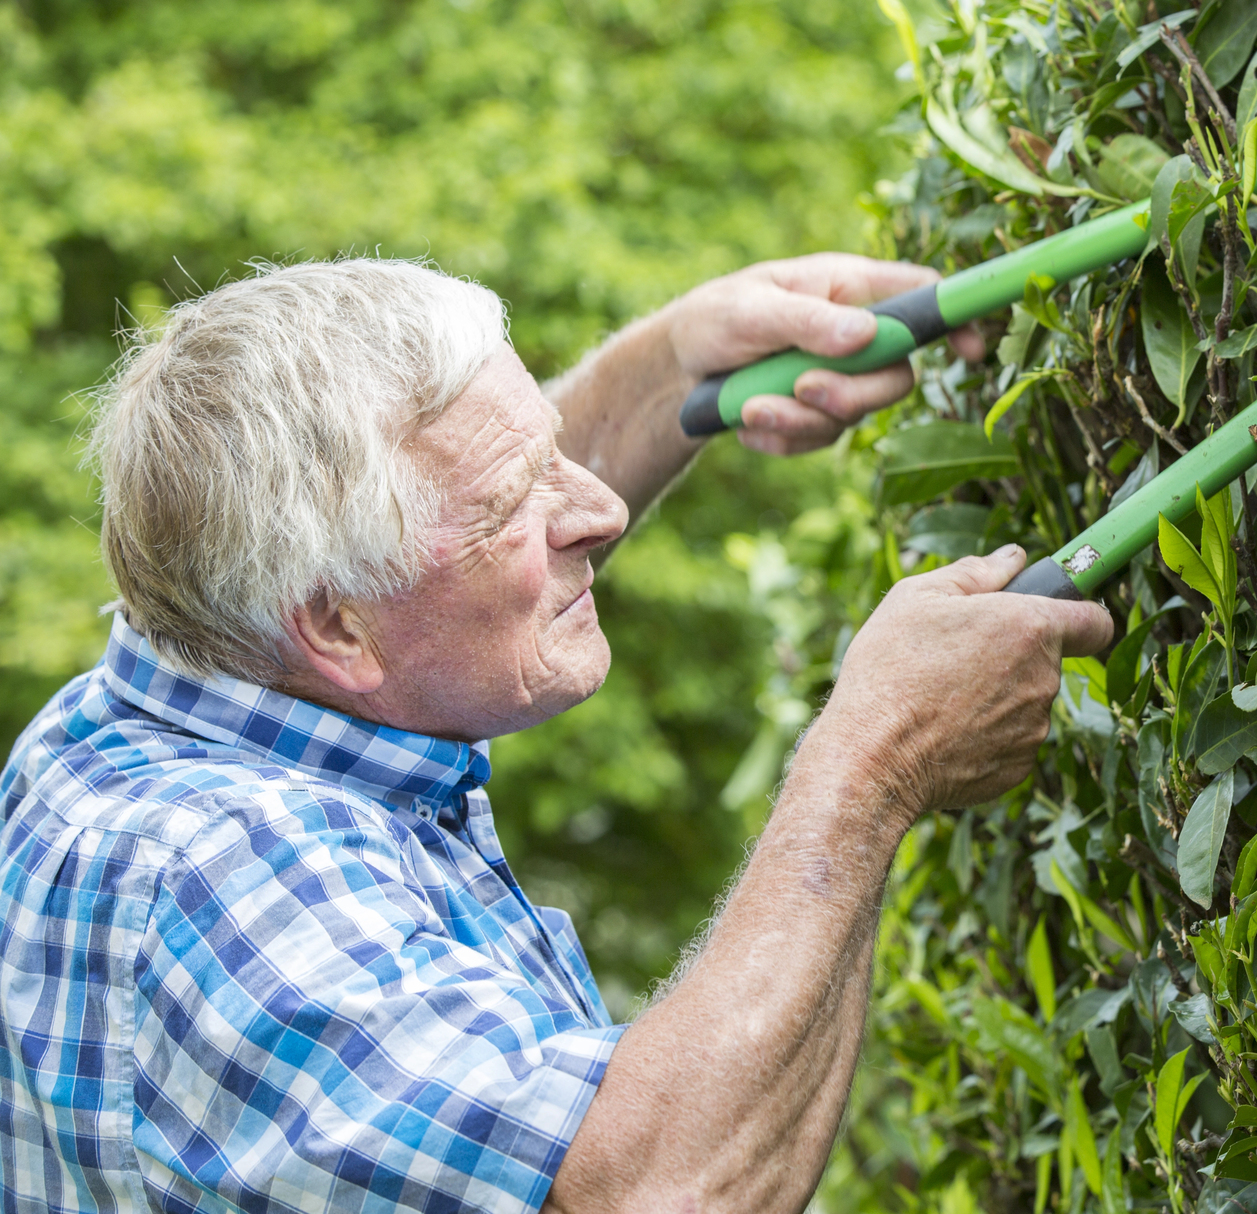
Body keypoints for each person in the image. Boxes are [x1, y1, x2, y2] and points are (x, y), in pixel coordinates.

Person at [0, 256, 1113, 1213]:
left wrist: (679, 365)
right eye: (516, 501)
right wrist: (879, 753)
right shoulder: (224, 886)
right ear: (336, 621)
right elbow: (657, 1190)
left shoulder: (156, 699)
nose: (599, 510)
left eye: (552, 448)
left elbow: (435, 554)